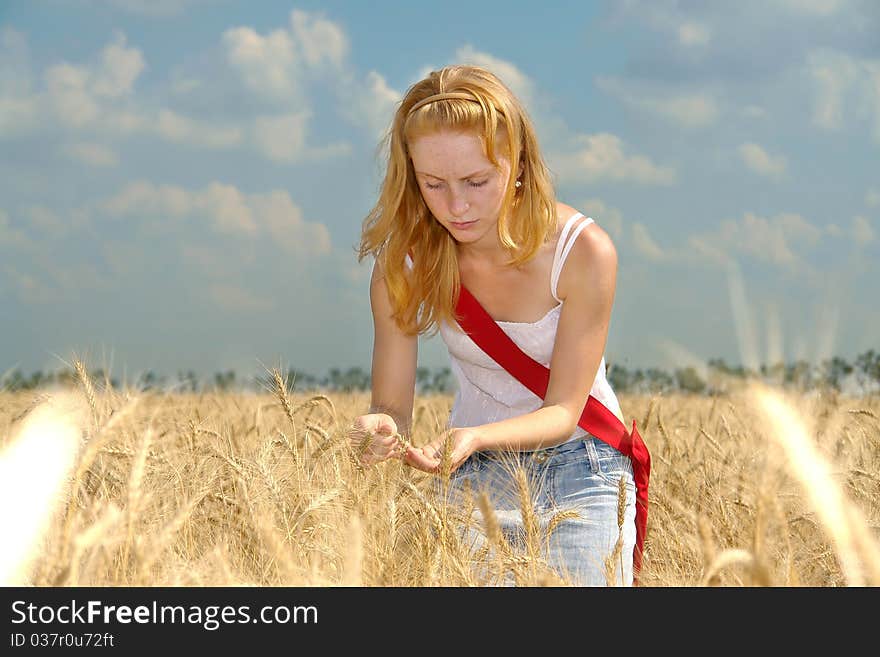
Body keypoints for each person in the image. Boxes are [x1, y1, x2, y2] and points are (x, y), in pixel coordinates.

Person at [348, 64, 638, 586]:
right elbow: (390, 406)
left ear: (519, 162)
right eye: (433, 183)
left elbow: (564, 412)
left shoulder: (582, 253)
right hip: (469, 475)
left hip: (584, 472)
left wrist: (476, 436)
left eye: (477, 181)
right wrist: (383, 428)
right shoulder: (404, 264)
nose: (456, 206)